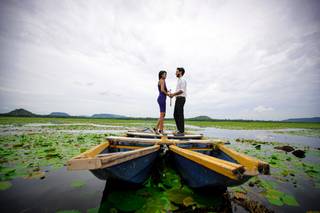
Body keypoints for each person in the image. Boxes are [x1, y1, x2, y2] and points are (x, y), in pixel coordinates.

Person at [169, 67, 187, 136]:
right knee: (175, 114)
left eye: (177, 71)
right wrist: (173, 94)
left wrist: (173, 94)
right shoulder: (179, 80)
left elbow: (182, 90)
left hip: (181, 98)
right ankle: (179, 130)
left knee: (179, 114)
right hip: (178, 99)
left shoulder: (183, 80)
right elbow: (178, 91)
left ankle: (181, 131)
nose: (175, 73)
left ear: (180, 72)